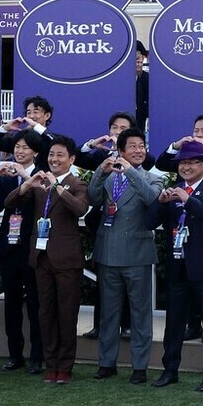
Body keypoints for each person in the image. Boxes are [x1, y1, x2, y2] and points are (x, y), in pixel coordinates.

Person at [4, 136, 89, 385]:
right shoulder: (39, 185)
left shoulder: (77, 184)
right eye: (52, 155)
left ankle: (65, 367)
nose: (55, 160)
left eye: (60, 155)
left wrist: (57, 188)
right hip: (41, 259)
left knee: (66, 315)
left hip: (67, 262)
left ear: (71, 160)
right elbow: (9, 203)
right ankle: (50, 365)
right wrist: (27, 184)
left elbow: (80, 209)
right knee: (46, 314)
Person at [146, 140, 203, 391]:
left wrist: (188, 200)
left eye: (192, 162)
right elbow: (149, 222)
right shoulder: (172, 190)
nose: (186, 167)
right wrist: (160, 201)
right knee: (174, 321)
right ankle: (170, 369)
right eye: (182, 163)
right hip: (177, 266)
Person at [88, 128, 164, 385]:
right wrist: (101, 170)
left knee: (140, 313)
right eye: (132, 146)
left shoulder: (152, 178)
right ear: (120, 151)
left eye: (141, 146)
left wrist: (130, 172)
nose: (138, 150)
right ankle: (106, 363)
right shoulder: (109, 178)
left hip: (138, 255)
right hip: (108, 253)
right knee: (108, 313)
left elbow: (152, 199)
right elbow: (92, 196)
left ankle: (140, 366)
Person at [76, 111, 140, 340]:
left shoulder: (136, 155)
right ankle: (99, 325)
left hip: (128, 226)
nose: (117, 131)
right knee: (102, 277)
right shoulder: (100, 156)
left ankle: (127, 325)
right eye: (114, 127)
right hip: (103, 223)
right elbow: (79, 157)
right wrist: (93, 145)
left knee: (126, 281)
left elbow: (150, 165)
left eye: (123, 128)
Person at [0, 130, 45, 374]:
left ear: (35, 152)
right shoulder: (7, 175)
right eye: (17, 147)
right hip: (9, 247)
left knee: (35, 304)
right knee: (11, 303)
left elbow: (41, 204)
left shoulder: (42, 176)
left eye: (25, 147)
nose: (19, 151)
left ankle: (36, 357)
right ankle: (14, 355)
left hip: (32, 248)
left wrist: (26, 177)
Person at [155, 113, 203, 191]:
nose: (199, 135)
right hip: (179, 199)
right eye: (196, 131)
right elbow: (161, 165)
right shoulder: (184, 155)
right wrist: (175, 147)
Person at [0, 95, 55, 170]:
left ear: (47, 115)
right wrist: (6, 127)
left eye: (35, 112)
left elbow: (56, 143)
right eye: (29, 112)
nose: (31, 116)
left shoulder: (50, 139)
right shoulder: (19, 139)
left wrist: (37, 126)